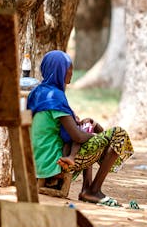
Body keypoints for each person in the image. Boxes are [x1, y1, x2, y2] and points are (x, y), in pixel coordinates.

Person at [28, 50, 134, 206]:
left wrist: (92, 128)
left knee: (88, 129)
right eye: (68, 68)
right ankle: (93, 191)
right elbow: (77, 136)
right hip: (54, 162)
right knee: (119, 134)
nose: (71, 72)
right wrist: (98, 136)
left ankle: (86, 188)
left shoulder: (39, 91)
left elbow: (68, 128)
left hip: (37, 160)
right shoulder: (55, 96)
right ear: (59, 71)